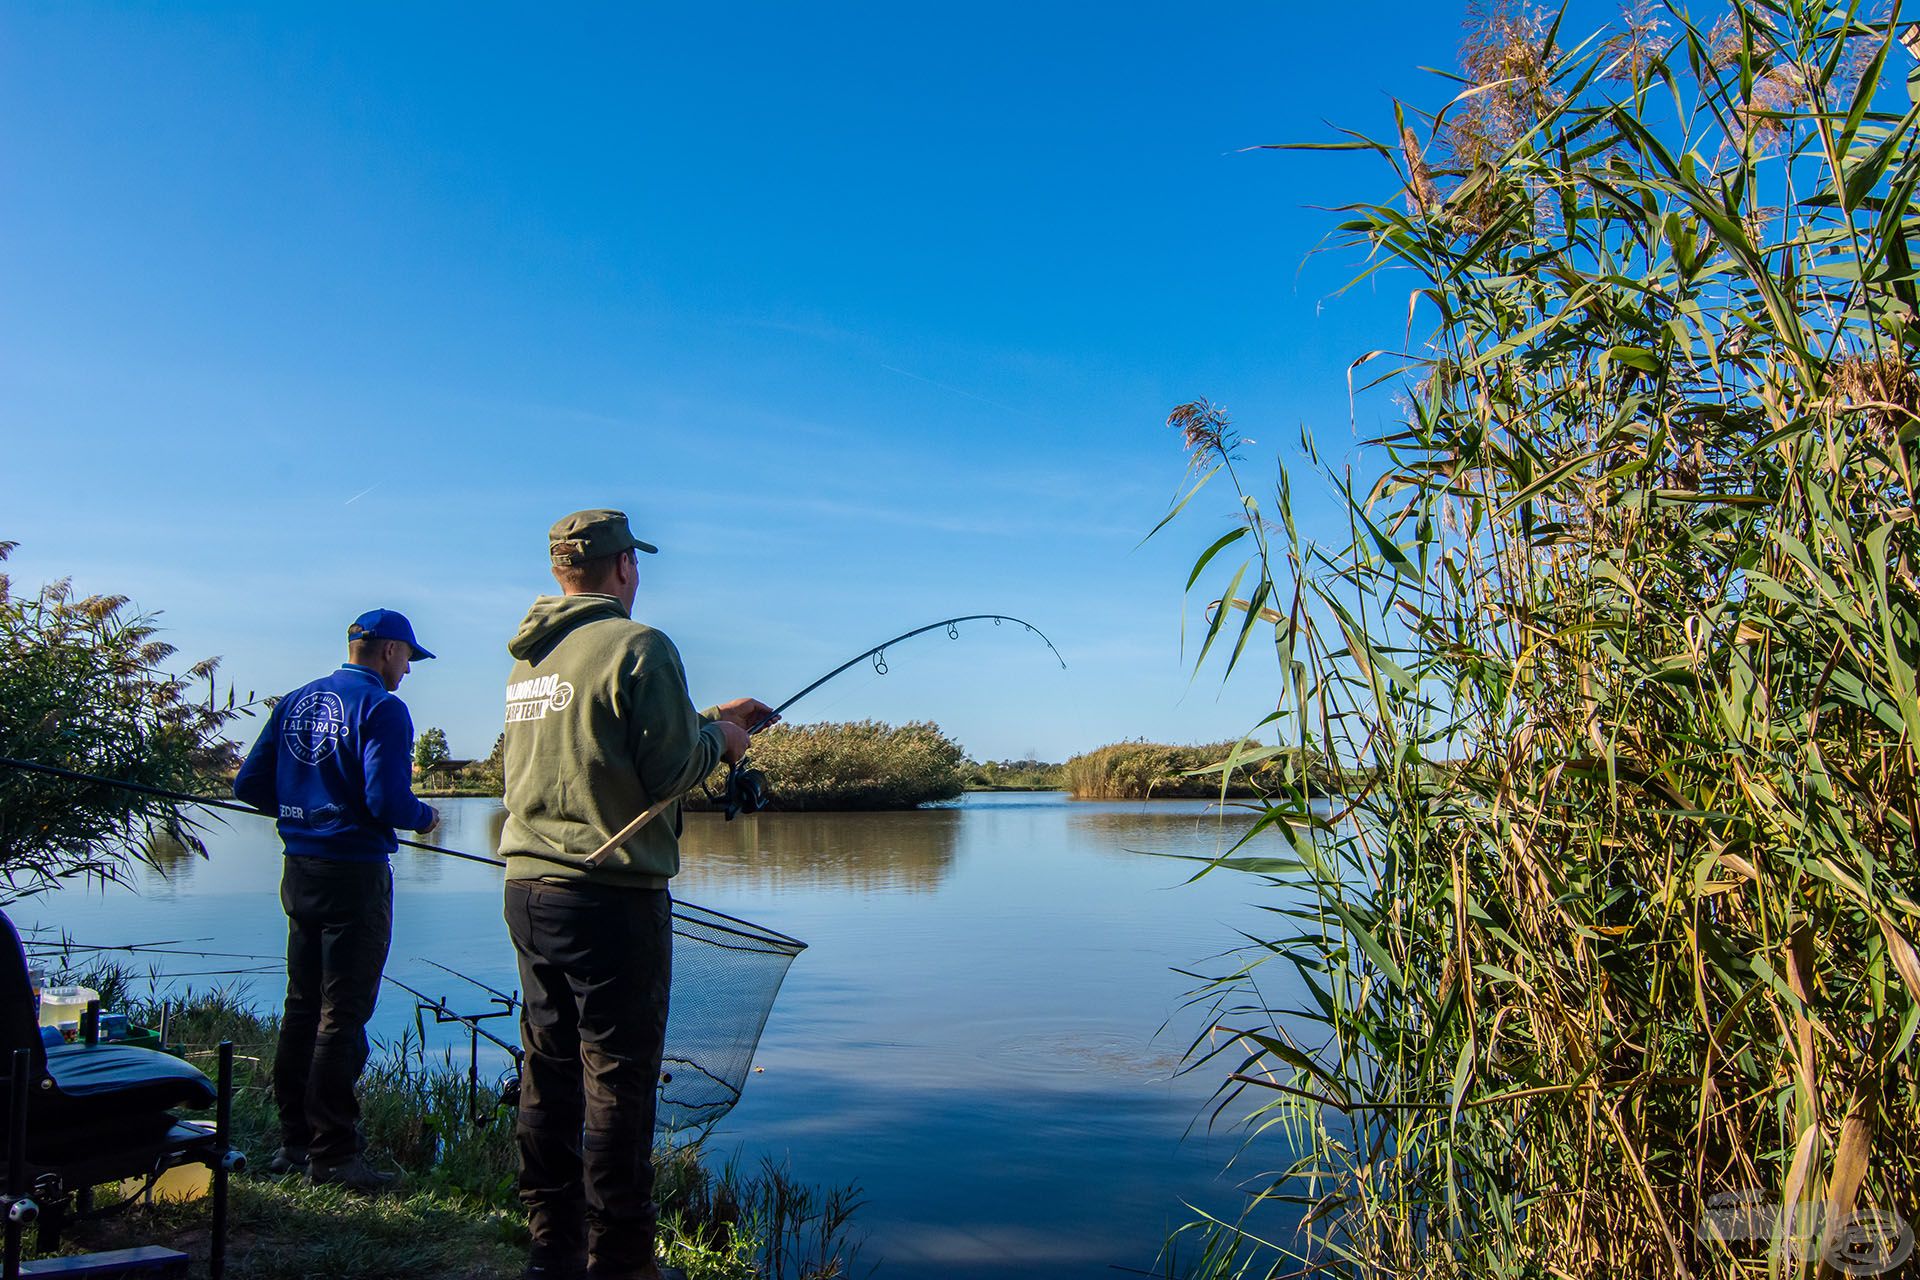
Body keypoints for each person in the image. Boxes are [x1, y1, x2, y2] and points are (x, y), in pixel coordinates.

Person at [499, 509, 773, 1280]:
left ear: (562, 571)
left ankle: (550, 1245)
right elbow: (667, 773)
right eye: (635, 563)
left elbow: (602, 744)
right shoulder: (639, 645)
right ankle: (621, 1259)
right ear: (622, 567)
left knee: (547, 1068)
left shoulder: (531, 661)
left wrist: (710, 717)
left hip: (528, 890)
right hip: (611, 899)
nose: (638, 575)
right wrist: (723, 742)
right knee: (617, 1076)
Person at [234, 608, 440, 1193]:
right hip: (355, 877)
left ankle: (294, 1144)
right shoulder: (382, 708)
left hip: (299, 870)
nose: (408, 671)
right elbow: (386, 800)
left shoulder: (297, 699)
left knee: (301, 1006)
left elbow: (248, 784)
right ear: (389, 652)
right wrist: (424, 817)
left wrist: (306, 815)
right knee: (340, 1016)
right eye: (408, 659)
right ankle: (334, 1154)